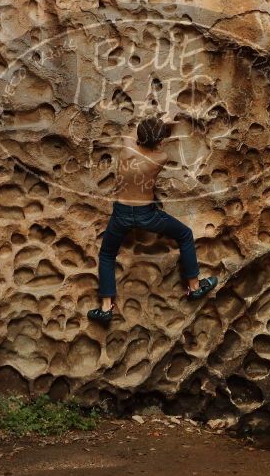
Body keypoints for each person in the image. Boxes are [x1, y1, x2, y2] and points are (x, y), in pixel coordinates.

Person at [87, 116, 218, 326]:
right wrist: (165, 125)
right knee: (184, 235)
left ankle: (105, 307)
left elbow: (133, 135)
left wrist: (151, 127)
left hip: (121, 213)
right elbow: (155, 143)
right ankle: (194, 286)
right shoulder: (160, 158)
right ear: (159, 141)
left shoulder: (127, 147)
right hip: (145, 214)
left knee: (107, 255)